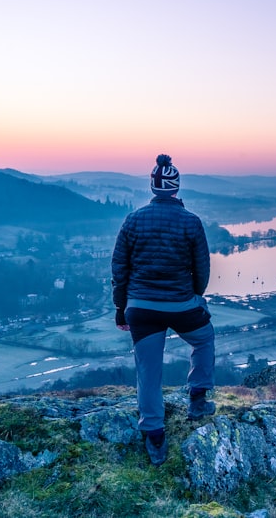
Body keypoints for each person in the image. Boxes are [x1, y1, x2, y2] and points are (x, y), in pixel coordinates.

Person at [112, 154, 216, 466]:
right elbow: (202, 270)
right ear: (176, 188)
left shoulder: (132, 220)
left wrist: (121, 309)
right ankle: (197, 399)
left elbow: (120, 269)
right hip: (182, 305)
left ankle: (155, 437)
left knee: (149, 371)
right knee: (203, 339)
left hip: (141, 309)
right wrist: (195, 297)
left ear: (153, 187)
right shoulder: (191, 222)